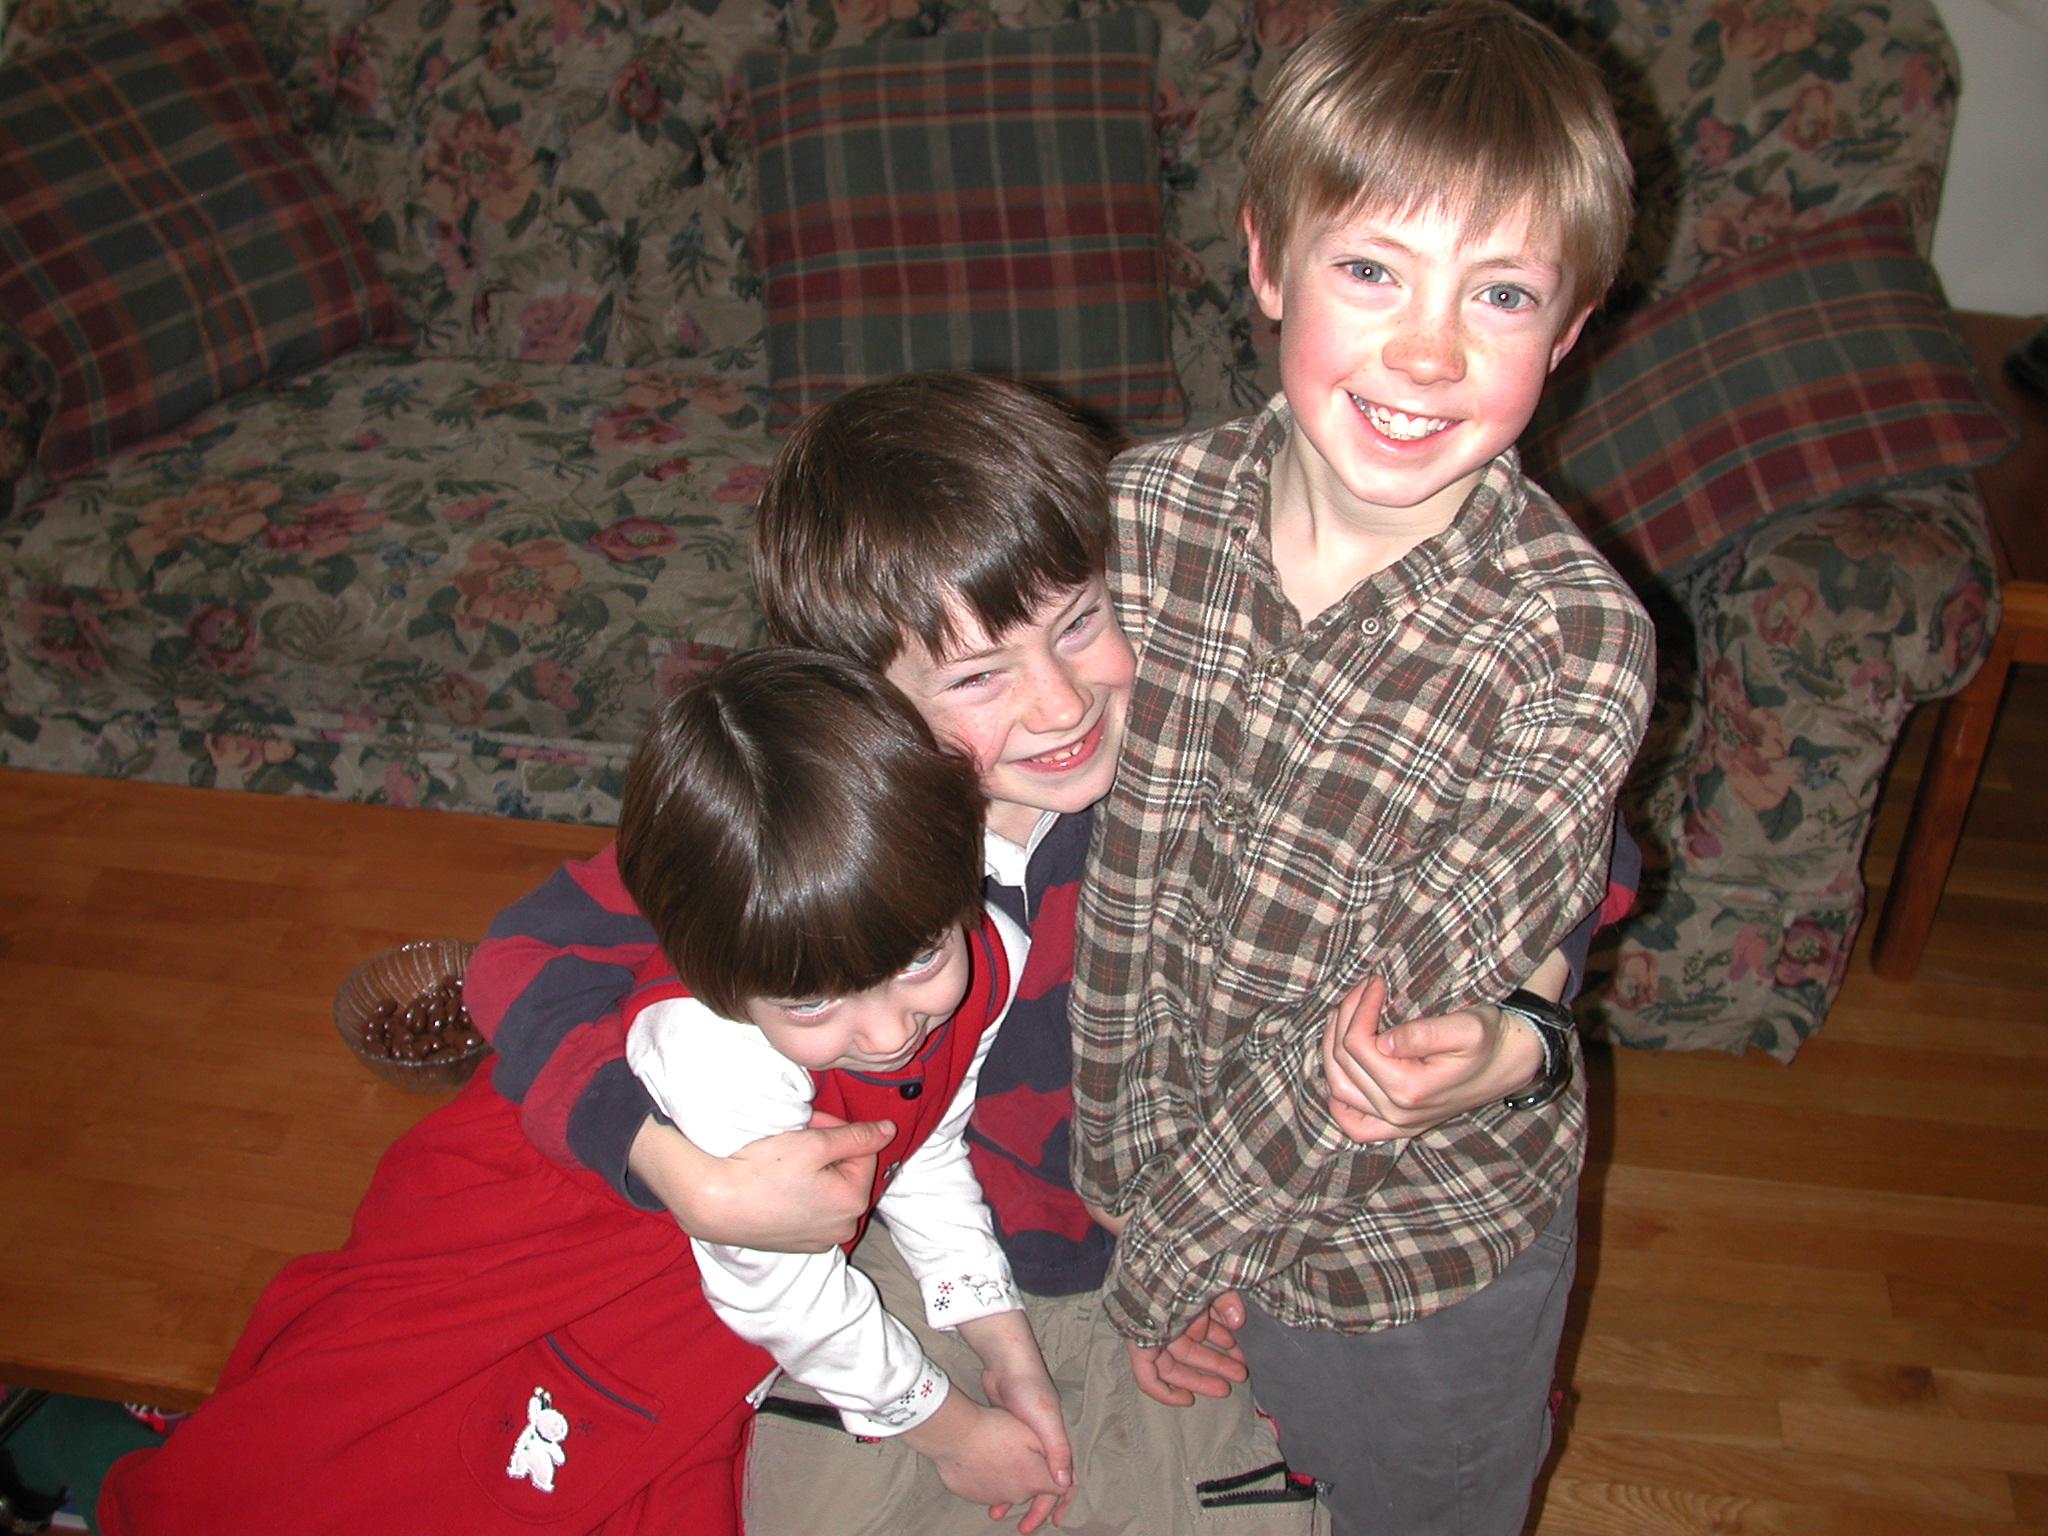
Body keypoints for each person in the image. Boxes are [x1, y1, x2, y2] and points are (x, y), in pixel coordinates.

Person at [468, 370, 1637, 1533]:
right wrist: (690, 1179)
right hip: (936, 1230)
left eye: (1078, 622)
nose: (1061, 703)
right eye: (979, 677)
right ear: (860, 698)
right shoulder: (827, 819)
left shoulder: (1197, 731)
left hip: (1201, 1239)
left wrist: (1526, 1013)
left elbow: (1567, 846)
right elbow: (522, 960)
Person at [1066, 2, 1659, 1532]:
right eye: (1373, 270)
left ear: (1569, 331)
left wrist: (1160, 1273)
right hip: (1156, 1174)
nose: (1429, 350)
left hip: (1404, 1267)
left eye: (1502, 293)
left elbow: (1367, 1060)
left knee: (1418, 1506)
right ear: (1268, 261)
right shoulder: (1139, 517)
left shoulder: (1572, 645)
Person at [95, 650, 1070, 1536]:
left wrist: (998, 1334)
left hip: (709, 1297)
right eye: (813, 1002)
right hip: (569, 1252)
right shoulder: (719, 1056)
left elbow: (922, 1138)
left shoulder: (982, 951)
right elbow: (789, 1300)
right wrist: (947, 1431)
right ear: (713, 976)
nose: (891, 1031)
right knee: (373, 1475)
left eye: (918, 960)